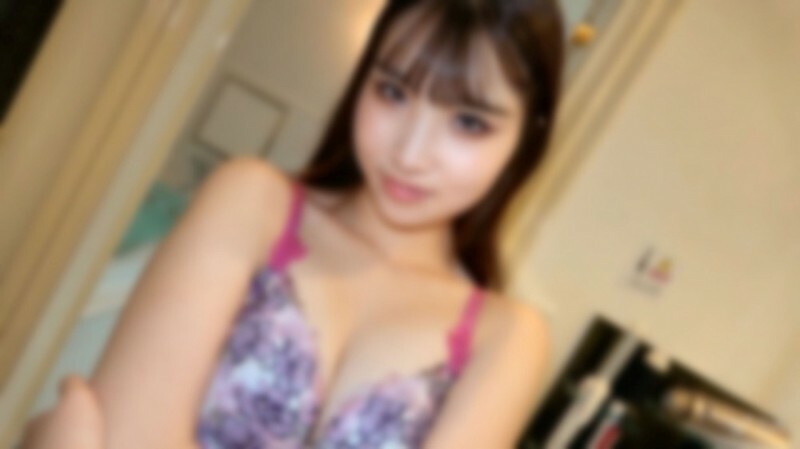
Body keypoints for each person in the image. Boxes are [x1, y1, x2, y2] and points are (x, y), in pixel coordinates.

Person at [22, 0, 564, 447]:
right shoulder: (251, 201)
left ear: (527, 136)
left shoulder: (507, 337)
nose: (410, 153)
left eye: (468, 122)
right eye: (393, 92)